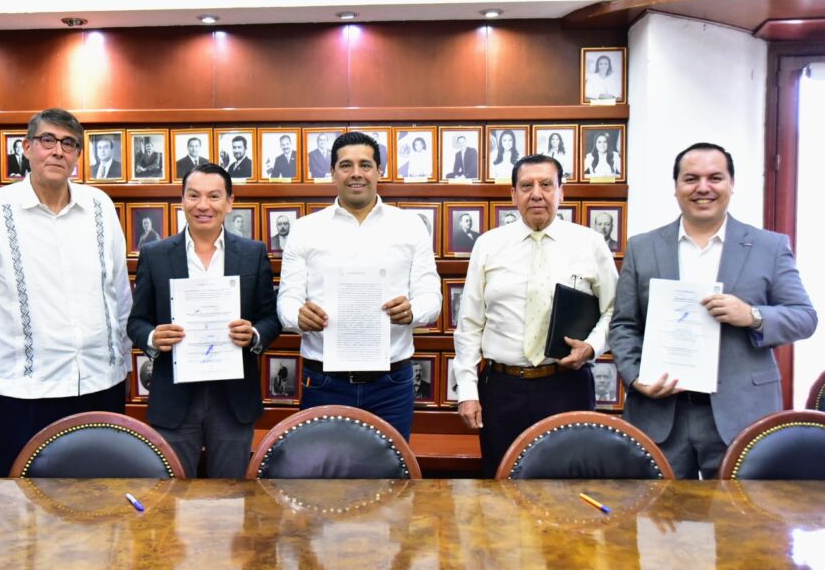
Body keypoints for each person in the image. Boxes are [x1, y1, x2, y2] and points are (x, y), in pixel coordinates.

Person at [609, 142, 817, 479]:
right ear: (676, 187)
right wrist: (636, 377)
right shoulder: (643, 247)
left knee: (743, 511)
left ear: (731, 184)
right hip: (661, 413)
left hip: (741, 412)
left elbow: (804, 317)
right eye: (691, 179)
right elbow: (623, 326)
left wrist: (752, 315)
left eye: (715, 178)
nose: (703, 188)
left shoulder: (769, 246)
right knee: (658, 510)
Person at [0, 108, 132, 477]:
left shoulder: (100, 206)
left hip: (100, 384)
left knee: (100, 495)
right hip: (24, 392)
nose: (57, 151)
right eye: (47, 140)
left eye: (68, 144)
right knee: (21, 499)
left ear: (78, 155)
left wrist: (124, 366)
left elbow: (119, 293)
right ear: (27, 148)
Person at [453, 154, 618, 477]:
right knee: (501, 483)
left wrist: (592, 347)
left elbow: (614, 310)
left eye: (546, 185)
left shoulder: (589, 243)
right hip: (502, 390)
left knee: (568, 485)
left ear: (561, 192)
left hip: (566, 385)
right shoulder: (488, 245)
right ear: (513, 195)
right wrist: (468, 392)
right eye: (526, 186)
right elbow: (470, 324)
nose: (537, 194)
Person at [277, 132, 441, 440]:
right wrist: (297, 316)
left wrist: (413, 311)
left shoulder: (409, 226)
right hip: (324, 380)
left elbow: (431, 295)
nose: (356, 173)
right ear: (332, 172)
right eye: (345, 165)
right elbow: (287, 298)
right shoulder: (305, 229)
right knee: (322, 468)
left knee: (390, 467)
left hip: (391, 383)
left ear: (379, 171)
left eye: (365, 165)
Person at [127, 163, 281, 478]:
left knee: (230, 493)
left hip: (233, 399)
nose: (203, 205)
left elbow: (270, 318)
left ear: (230, 202)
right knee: (174, 494)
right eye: (194, 195)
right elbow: (137, 322)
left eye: (214, 196)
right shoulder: (155, 254)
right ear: (182, 200)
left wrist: (253, 334)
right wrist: (153, 337)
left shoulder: (252, 253)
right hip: (175, 397)